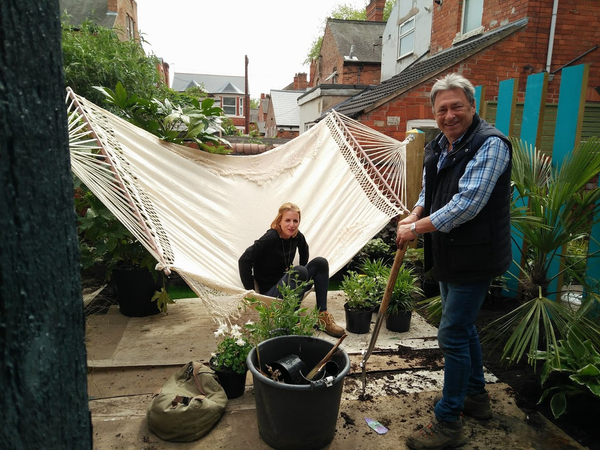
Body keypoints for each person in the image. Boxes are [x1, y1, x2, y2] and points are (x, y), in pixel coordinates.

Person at [396, 73, 512, 450]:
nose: (449, 115)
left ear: (471, 106)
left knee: (451, 334)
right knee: (463, 329)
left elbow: (467, 204)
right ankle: (475, 397)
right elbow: (429, 191)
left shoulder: (490, 145)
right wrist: (414, 214)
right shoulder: (440, 145)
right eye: (442, 109)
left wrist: (416, 230)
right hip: (450, 254)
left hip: (475, 257)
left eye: (456, 107)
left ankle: (449, 422)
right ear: (434, 113)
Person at [238, 202, 345, 338]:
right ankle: (294, 321)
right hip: (271, 293)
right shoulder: (269, 238)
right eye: (287, 220)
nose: (292, 224)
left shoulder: (296, 236)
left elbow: (304, 250)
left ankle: (322, 315)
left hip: (290, 286)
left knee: (320, 263)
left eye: (295, 221)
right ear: (279, 221)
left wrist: (305, 272)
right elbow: (244, 260)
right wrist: (250, 291)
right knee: (299, 271)